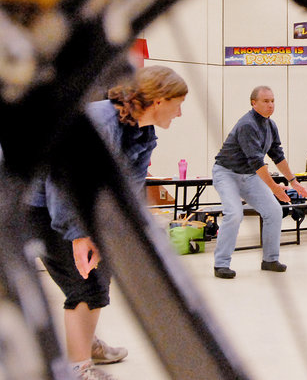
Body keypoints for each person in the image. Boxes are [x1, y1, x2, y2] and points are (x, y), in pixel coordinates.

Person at [26, 65, 188, 380]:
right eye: (178, 104)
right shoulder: (101, 120)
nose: (180, 113)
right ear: (158, 100)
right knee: (87, 284)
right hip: (39, 202)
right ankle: (78, 367)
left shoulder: (144, 132)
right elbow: (64, 182)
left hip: (67, 202)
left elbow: (128, 186)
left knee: (95, 277)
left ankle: (85, 343)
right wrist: (80, 235)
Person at [212, 86, 307, 279]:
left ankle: (270, 260)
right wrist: (275, 189)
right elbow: (257, 162)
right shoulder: (247, 125)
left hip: (249, 176)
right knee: (234, 214)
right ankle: (221, 264)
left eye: (272, 101)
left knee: (274, 211)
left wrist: (293, 181)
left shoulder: (270, 126)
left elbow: (277, 155)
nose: (270, 105)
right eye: (265, 101)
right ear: (253, 103)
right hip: (227, 173)